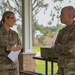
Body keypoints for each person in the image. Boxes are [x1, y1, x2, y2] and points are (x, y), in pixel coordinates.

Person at [54, 6, 75, 75]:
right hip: (61, 67)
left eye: (62, 14)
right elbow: (56, 48)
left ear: (69, 16)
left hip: (72, 69)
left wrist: (61, 46)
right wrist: (66, 46)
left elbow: (71, 48)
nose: (60, 16)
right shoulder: (62, 31)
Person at [0, 11, 22, 75]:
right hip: (2, 67)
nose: (14, 21)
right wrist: (7, 48)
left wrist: (19, 48)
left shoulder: (15, 34)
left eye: (15, 19)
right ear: (6, 18)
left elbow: (20, 45)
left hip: (14, 67)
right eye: (12, 18)